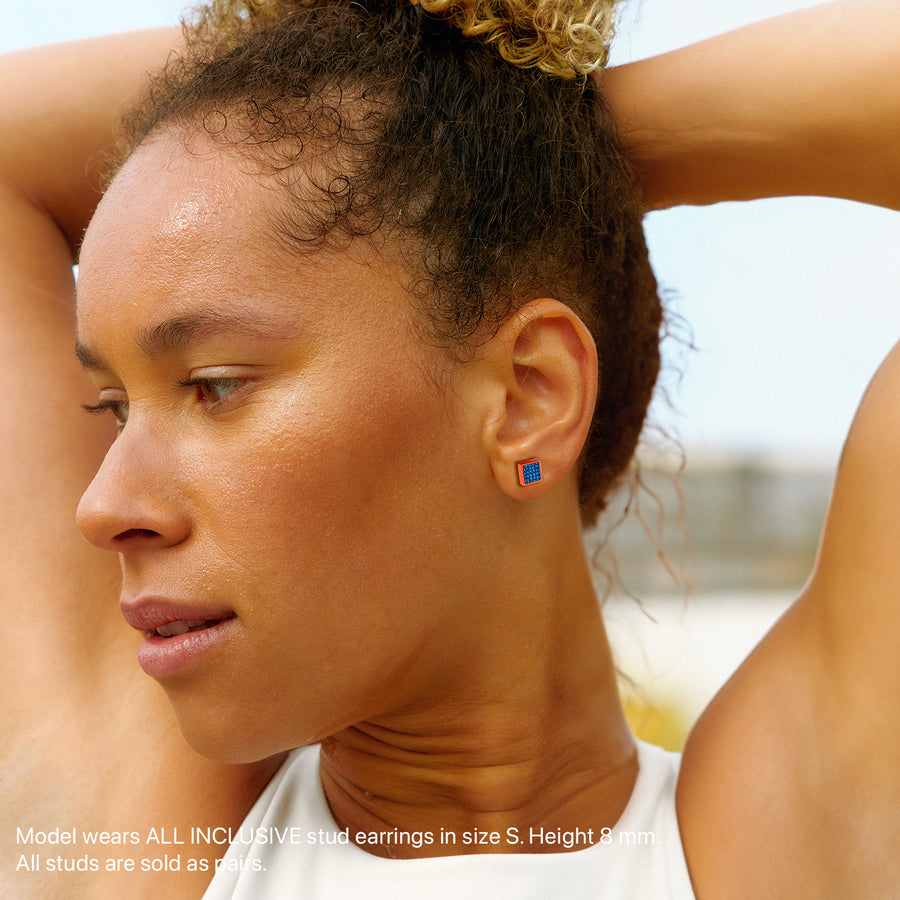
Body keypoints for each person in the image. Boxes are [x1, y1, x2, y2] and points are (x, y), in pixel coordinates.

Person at [1, 1, 897, 898]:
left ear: (527, 398)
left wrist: (522, 137)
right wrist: (486, 117)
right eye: (113, 407)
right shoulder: (139, 840)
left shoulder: (782, 840)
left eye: (216, 384)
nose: (103, 507)